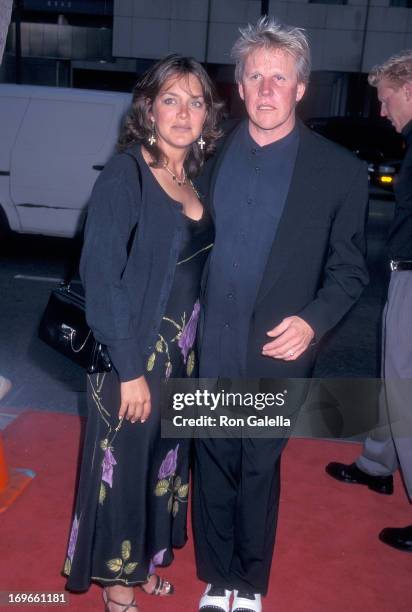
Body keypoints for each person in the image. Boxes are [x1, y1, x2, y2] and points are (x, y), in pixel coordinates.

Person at [193, 17, 369, 612]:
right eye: (255, 77)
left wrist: (313, 322)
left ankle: (249, 584)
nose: (266, 89)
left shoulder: (339, 171)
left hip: (275, 349)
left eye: (280, 78)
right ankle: (217, 578)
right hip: (208, 343)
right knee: (213, 460)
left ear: (301, 89)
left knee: (258, 466)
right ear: (238, 87)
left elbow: (349, 271)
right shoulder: (205, 156)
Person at [63, 54, 222, 611]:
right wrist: (129, 369)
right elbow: (100, 276)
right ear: (148, 109)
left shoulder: (190, 176)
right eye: (170, 99)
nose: (183, 112)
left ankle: (145, 558)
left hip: (181, 358)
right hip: (131, 358)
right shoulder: (125, 174)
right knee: (124, 470)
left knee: (164, 464)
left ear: (208, 114)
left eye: (195, 101)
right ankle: (118, 585)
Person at [326, 50, 412, 554]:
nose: (382, 111)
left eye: (386, 99)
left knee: (406, 390)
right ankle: (378, 465)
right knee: (392, 378)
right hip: (403, 276)